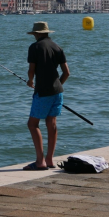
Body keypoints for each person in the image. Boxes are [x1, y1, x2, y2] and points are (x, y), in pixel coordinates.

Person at [23, 21, 70, 171]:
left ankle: (40, 161)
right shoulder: (57, 47)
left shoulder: (34, 47)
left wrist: (30, 81)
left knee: (32, 124)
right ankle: (50, 160)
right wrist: (57, 85)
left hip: (43, 92)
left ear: (36, 34)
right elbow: (67, 72)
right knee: (52, 123)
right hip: (58, 92)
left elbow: (32, 69)